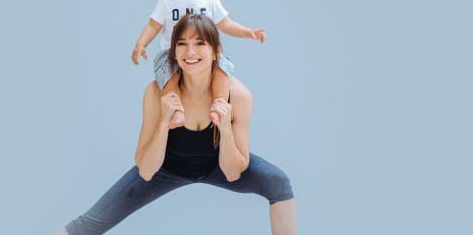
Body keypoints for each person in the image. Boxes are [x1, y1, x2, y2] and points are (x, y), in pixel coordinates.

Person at [58, 14, 297, 235]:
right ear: (173, 52)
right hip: (165, 169)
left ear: (216, 52)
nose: (190, 51)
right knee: (88, 226)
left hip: (218, 166)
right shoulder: (156, 92)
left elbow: (233, 172)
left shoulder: (239, 96)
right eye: (182, 43)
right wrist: (163, 123)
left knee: (277, 182)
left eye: (200, 43)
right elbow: (147, 170)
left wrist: (224, 128)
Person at [132, 0, 266, 130]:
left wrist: (249, 33)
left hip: (204, 54)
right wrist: (140, 44)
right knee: (168, 78)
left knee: (222, 69)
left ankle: (219, 106)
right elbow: (153, 25)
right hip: (172, 53)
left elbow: (226, 24)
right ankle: (176, 112)